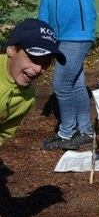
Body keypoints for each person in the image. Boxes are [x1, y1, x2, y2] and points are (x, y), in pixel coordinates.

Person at [38, 0, 99, 151]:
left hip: (78, 33)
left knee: (61, 84)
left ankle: (67, 132)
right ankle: (84, 131)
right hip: (58, 34)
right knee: (75, 83)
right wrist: (43, 31)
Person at [1, 19, 66, 147]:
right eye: (33, 58)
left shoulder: (28, 97)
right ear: (11, 50)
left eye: (45, 63)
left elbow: (4, 132)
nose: (38, 69)